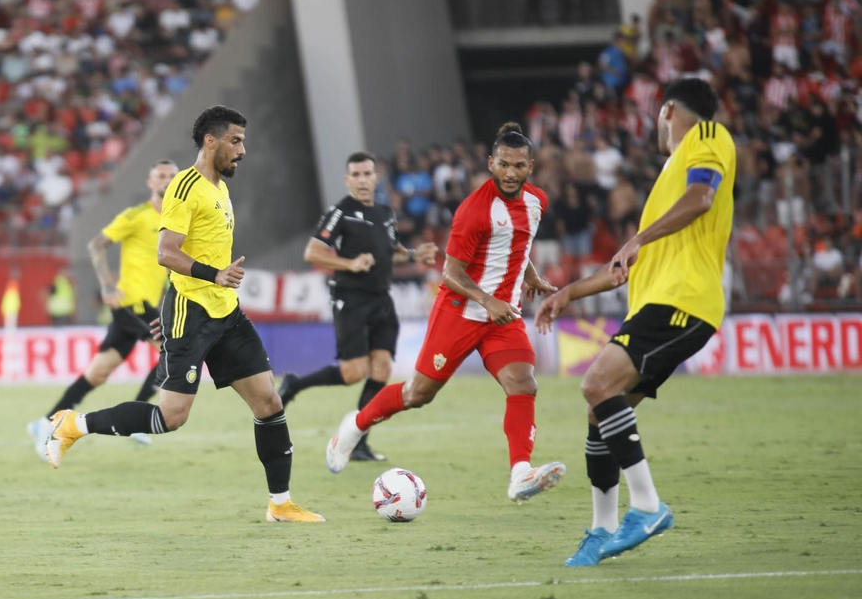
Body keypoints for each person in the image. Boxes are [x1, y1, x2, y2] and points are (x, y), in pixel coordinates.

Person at [44, 106, 324, 524]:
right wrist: (215, 275)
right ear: (211, 141)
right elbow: (166, 253)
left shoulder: (220, 189)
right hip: (190, 314)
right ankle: (72, 425)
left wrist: (219, 281)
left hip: (226, 313)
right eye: (236, 140)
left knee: (268, 402)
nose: (242, 150)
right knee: (171, 417)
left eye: (243, 141)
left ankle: (280, 504)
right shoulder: (184, 186)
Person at [535, 79, 734, 567]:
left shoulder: (707, 135)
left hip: (682, 302)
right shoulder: (667, 181)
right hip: (657, 305)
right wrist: (568, 293)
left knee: (597, 382)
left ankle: (647, 506)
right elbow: (626, 265)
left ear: (666, 109)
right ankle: (602, 530)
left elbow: (702, 199)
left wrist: (639, 236)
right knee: (600, 409)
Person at [327, 124, 566, 503]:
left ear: (531, 167)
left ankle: (521, 473)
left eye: (518, 166)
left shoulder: (537, 201)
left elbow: (516, 244)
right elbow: (450, 274)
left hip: (503, 318)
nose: (510, 173)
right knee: (418, 394)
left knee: (524, 384)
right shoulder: (474, 210)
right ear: (490, 163)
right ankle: (354, 426)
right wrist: (488, 301)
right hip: (461, 312)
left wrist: (531, 276)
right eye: (503, 164)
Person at [280, 152, 439, 462]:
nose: (363, 180)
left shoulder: (385, 212)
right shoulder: (341, 212)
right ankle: (295, 384)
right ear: (347, 179)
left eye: (368, 174)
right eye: (356, 174)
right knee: (354, 373)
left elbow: (388, 252)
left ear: (376, 177)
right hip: (351, 299)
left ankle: (358, 442)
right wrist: (349, 263)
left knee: (381, 370)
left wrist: (414, 255)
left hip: (382, 299)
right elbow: (312, 252)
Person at [27, 160, 178, 456]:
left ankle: (44, 422)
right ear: (150, 183)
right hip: (130, 304)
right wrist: (108, 285)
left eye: (173, 175)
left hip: (145, 305)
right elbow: (96, 244)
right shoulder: (136, 216)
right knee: (171, 351)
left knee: (97, 374)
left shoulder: (175, 222)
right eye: (161, 175)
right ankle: (138, 420)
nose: (168, 180)